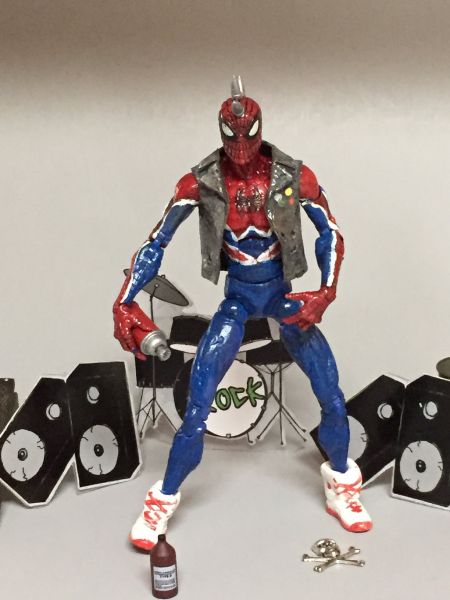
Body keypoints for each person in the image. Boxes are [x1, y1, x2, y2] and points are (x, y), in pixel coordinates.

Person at [113, 76, 372, 551]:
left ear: (260, 127)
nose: (239, 145)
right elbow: (155, 243)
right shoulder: (200, 182)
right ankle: (162, 499)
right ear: (219, 130)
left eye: (247, 133)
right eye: (229, 135)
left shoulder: (292, 175)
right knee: (197, 406)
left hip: (281, 296)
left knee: (332, 395)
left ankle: (341, 484)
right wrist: (124, 297)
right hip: (236, 300)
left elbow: (331, 233)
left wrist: (326, 292)